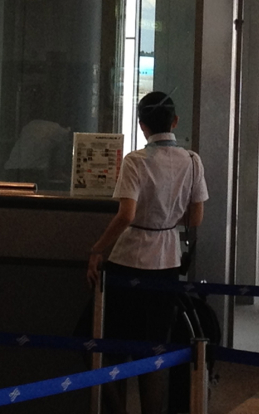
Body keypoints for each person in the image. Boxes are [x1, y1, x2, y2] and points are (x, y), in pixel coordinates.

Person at [86, 91, 208, 414]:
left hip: (129, 260)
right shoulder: (192, 161)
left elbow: (126, 214)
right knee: (154, 350)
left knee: (106, 346)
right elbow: (196, 217)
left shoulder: (135, 161)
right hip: (167, 261)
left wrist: (97, 249)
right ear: (175, 121)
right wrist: (165, 219)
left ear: (142, 126)